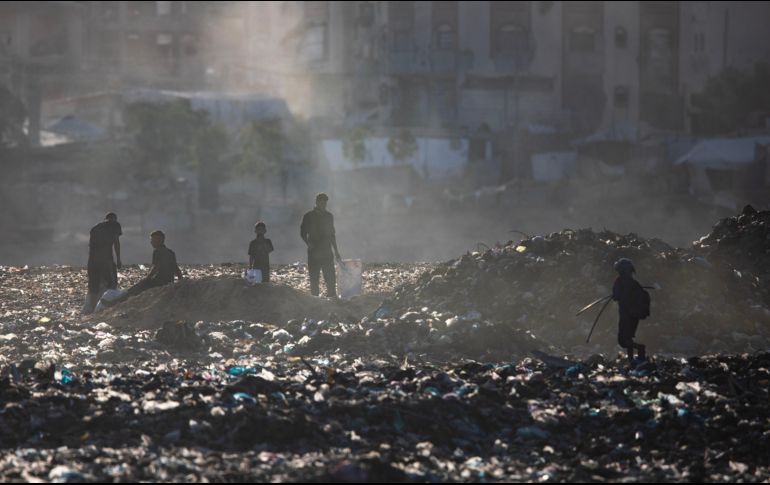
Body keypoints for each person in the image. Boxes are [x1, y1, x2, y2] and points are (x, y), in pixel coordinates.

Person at [300, 193, 342, 297]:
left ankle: (332, 299)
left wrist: (336, 251)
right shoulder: (309, 216)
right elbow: (302, 232)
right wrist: (308, 243)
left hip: (327, 251)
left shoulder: (329, 216)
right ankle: (315, 301)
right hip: (314, 251)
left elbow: (332, 235)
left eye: (325, 202)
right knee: (314, 278)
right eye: (321, 201)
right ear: (317, 202)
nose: (323, 204)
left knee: (330, 278)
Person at [612, 258, 648, 364]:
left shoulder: (619, 281)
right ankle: (632, 360)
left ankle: (640, 350)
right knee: (628, 338)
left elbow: (616, 296)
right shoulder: (635, 284)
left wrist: (616, 296)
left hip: (625, 315)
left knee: (623, 340)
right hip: (634, 316)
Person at [85, 212, 122, 313]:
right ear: (114, 219)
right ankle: (109, 309)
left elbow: (91, 246)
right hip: (106, 260)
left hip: (92, 260)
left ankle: (92, 310)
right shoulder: (115, 225)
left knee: (93, 286)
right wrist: (118, 259)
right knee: (112, 284)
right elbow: (116, 243)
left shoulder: (95, 228)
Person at [127, 230, 183, 297]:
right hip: (169, 282)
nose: (151, 242)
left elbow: (156, 267)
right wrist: (181, 282)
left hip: (158, 282)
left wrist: (147, 279)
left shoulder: (157, 251)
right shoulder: (171, 252)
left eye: (153, 240)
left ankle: (123, 297)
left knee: (138, 286)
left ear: (159, 240)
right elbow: (176, 269)